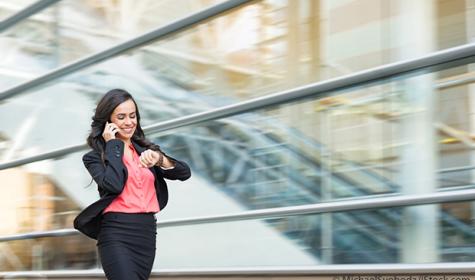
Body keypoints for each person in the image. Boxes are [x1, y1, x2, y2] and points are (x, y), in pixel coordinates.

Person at [74, 89, 191, 280]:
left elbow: (185, 173)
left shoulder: (146, 150)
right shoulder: (94, 158)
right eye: (121, 117)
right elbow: (114, 185)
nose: (129, 122)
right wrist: (112, 145)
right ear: (108, 122)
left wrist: (160, 160)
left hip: (146, 233)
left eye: (132, 115)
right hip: (116, 233)